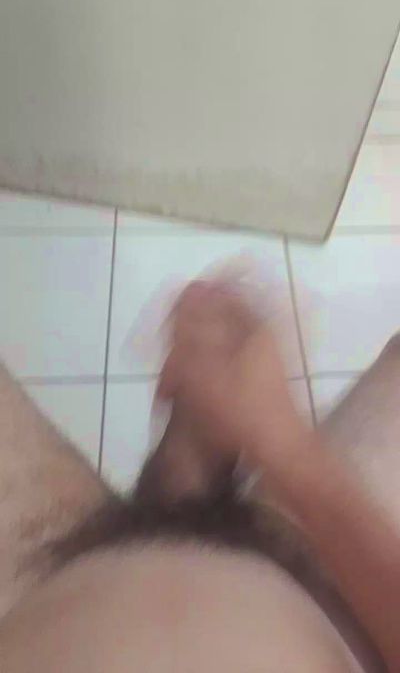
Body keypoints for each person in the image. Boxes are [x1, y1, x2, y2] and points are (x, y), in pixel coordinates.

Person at [0, 279, 400, 672]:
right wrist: (288, 450)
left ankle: (183, 483)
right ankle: (194, 480)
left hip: (28, 592)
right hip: (331, 616)